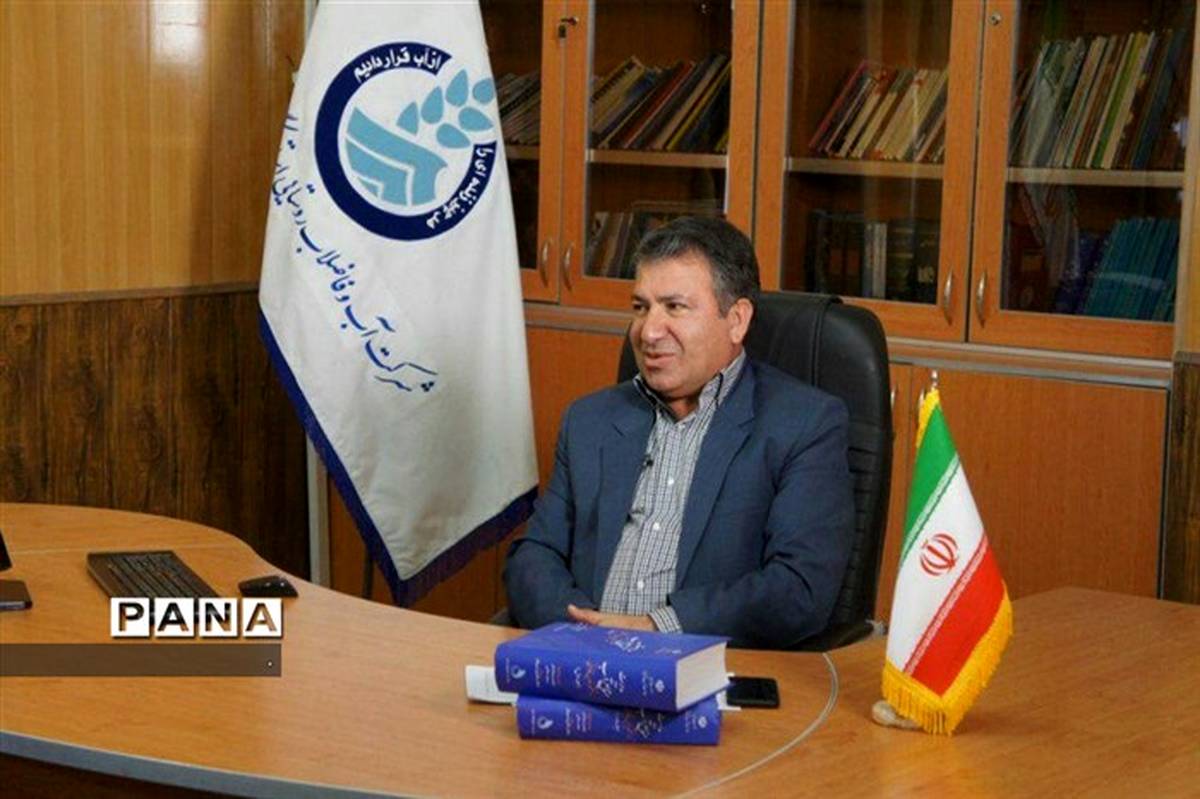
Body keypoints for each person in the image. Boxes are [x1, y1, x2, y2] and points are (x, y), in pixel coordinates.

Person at [504, 216, 853, 648]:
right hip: (581, 658)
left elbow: (798, 589)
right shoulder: (590, 420)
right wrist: (584, 632)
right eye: (640, 307)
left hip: (708, 668)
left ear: (737, 320)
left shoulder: (804, 425)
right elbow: (533, 556)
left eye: (674, 307)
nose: (648, 331)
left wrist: (657, 629)